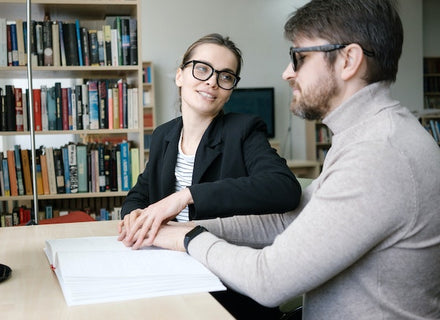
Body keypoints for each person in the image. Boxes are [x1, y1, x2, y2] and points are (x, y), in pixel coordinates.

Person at [119, 1, 440, 319]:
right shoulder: (365, 137)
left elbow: (270, 280)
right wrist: (181, 227)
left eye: (298, 58)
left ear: (349, 60)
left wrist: (188, 237)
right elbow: (289, 220)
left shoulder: (379, 152)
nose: (287, 73)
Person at [119, 33, 302, 318]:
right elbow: (139, 194)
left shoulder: (243, 130)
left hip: (227, 286)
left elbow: (284, 188)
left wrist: (186, 197)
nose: (212, 82)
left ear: (230, 90)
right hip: (166, 272)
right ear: (180, 75)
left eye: (226, 76)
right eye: (202, 69)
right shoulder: (163, 135)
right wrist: (134, 215)